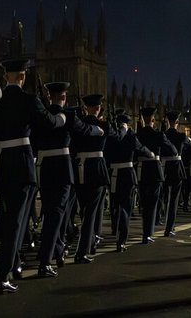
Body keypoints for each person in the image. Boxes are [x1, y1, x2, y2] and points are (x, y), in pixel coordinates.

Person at [0, 59, 65, 294]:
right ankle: (2, 276)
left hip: (0, 164)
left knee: (9, 218)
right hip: (22, 164)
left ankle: (15, 263)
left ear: (5, 76)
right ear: (22, 77)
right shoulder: (30, 100)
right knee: (16, 223)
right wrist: (61, 118)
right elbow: (49, 123)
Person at [34, 83, 102, 276]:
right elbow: (86, 129)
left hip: (44, 168)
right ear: (64, 98)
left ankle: (57, 248)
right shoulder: (70, 116)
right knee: (56, 215)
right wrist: (100, 131)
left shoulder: (42, 115)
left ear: (49, 98)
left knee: (50, 212)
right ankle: (46, 261)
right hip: (63, 170)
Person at [69, 93, 110, 264]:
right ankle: (82, 251)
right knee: (91, 213)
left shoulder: (79, 125)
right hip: (97, 171)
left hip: (79, 170)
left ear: (86, 108)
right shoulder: (104, 126)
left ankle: (90, 242)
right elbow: (116, 135)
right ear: (99, 108)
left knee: (84, 209)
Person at [108, 113, 152, 251]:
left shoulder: (111, 138)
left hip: (113, 174)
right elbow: (143, 150)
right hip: (127, 174)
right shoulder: (131, 138)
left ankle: (114, 230)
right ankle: (121, 241)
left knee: (115, 205)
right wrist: (150, 154)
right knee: (126, 208)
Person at [135, 107, 173, 243]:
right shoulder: (159, 135)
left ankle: (146, 232)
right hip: (155, 171)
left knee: (144, 203)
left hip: (141, 170)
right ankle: (147, 234)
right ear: (153, 119)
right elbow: (172, 149)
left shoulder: (137, 135)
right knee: (152, 203)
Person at [161, 111, 190, 236]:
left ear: (167, 121)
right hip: (177, 169)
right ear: (177, 122)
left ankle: (161, 219)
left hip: (164, 168)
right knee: (174, 200)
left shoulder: (163, 135)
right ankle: (169, 228)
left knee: (165, 198)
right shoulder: (182, 136)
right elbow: (190, 144)